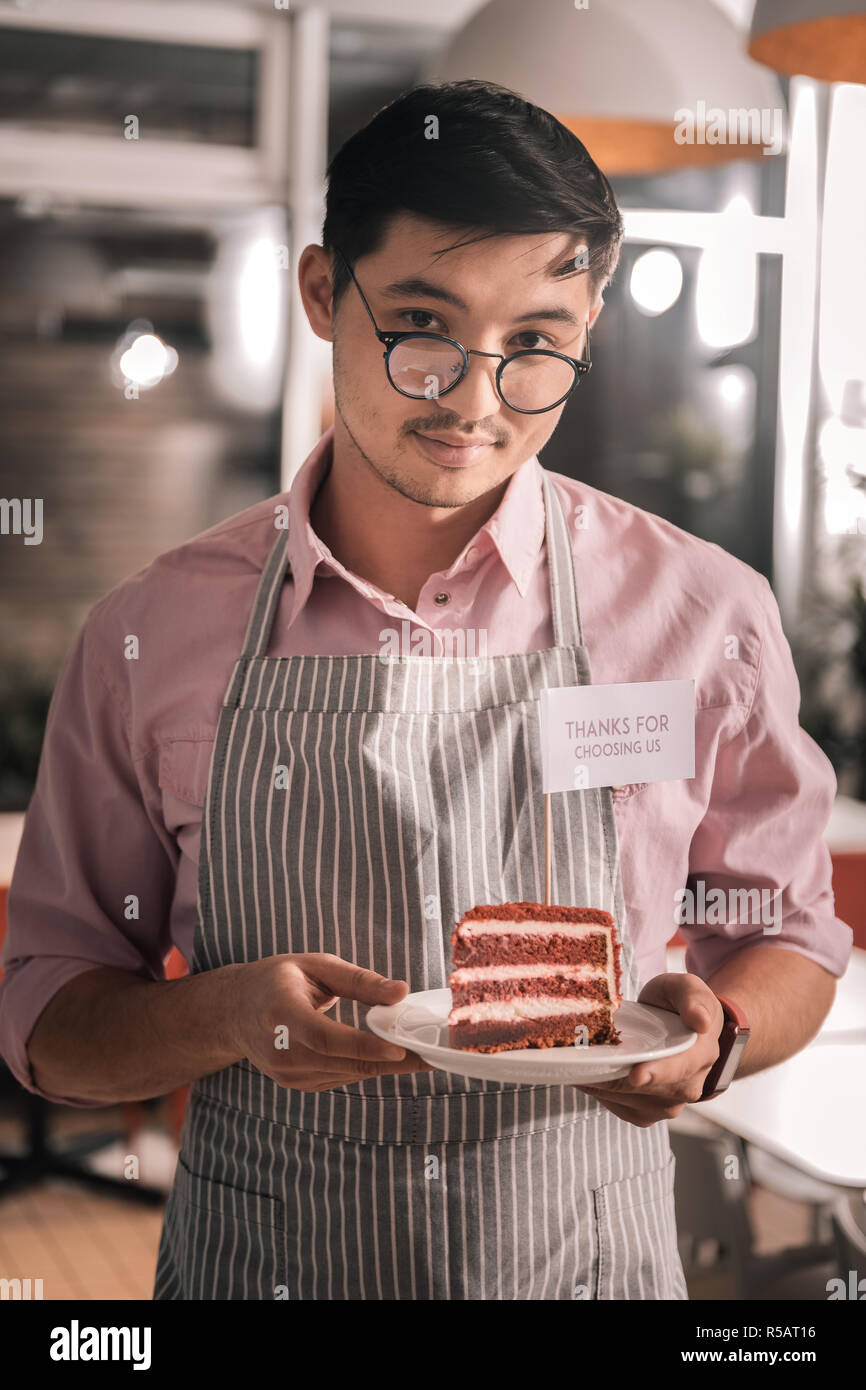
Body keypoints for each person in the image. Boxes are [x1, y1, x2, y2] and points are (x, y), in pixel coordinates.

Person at [0, 81, 851, 1301]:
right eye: (420, 323)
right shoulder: (148, 633)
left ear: (588, 324)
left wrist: (712, 1040)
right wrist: (225, 1017)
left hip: (588, 1273)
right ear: (317, 292)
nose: (472, 398)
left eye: (535, 345)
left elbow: (786, 933)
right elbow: (47, 1018)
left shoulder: (702, 611)